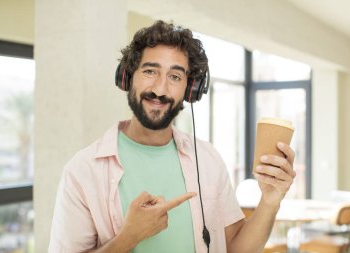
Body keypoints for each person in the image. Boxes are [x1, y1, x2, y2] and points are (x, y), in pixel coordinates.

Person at [48, 20, 295, 253]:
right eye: (149, 71)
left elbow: (236, 248)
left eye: (175, 76)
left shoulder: (207, 159)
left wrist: (270, 201)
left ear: (191, 90)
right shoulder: (82, 171)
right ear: (127, 76)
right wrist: (129, 237)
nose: (160, 89)